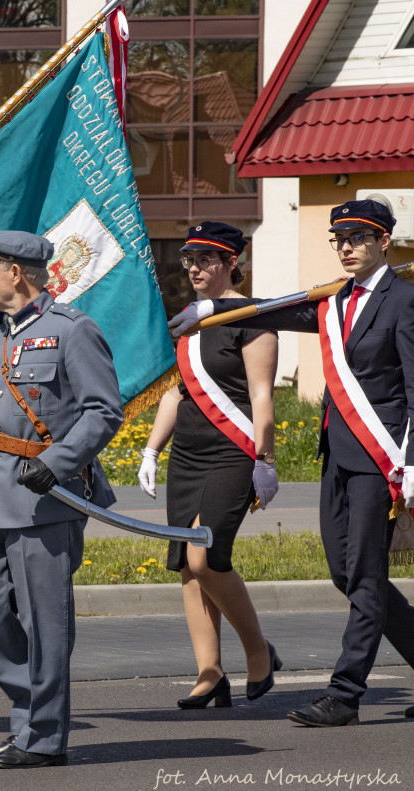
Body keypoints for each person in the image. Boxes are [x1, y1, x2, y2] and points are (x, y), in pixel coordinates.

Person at [169, 199, 414, 727]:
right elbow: (274, 309)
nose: (347, 247)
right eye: (339, 239)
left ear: (383, 242)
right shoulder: (334, 300)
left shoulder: (405, 301)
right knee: (344, 572)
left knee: (367, 578)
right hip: (339, 455)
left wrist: (412, 464)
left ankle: (344, 694)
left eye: (358, 237)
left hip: (381, 457)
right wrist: (211, 311)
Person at [0, 230, 123, 768]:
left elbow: (104, 411)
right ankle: (30, 706)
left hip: (44, 497)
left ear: (15, 271)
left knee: (45, 622)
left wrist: (56, 463)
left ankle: (43, 735)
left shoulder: (72, 331)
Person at [137, 221, 281, 710]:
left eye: (206, 259)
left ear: (231, 264)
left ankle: (259, 651)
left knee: (206, 557)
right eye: (188, 259)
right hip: (190, 454)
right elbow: (180, 391)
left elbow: (262, 396)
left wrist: (265, 458)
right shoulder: (190, 318)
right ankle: (209, 672)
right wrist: (152, 450)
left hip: (233, 452)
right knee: (186, 567)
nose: (194, 268)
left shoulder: (251, 316)